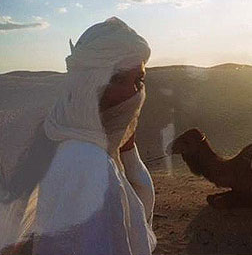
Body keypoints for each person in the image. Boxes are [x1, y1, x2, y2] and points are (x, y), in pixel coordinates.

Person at [0, 17, 156, 255]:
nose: (133, 92)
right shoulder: (88, 163)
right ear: (90, 83)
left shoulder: (60, 139)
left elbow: (135, 215)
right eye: (118, 79)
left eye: (139, 80)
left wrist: (127, 148)